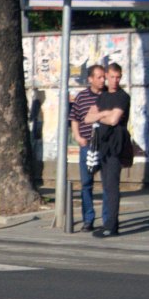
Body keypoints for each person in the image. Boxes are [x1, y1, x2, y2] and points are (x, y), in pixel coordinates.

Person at [84, 62, 130, 237]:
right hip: (102, 144)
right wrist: (104, 114)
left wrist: (101, 116)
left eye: (118, 77)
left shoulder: (122, 97)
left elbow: (114, 120)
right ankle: (109, 223)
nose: (114, 81)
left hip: (115, 145)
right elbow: (88, 118)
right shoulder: (102, 97)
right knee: (105, 185)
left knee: (111, 186)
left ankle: (111, 226)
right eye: (111, 77)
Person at [68, 64, 105, 232]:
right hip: (87, 145)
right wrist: (77, 136)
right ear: (90, 79)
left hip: (105, 145)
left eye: (103, 77)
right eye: (99, 77)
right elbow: (74, 118)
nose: (102, 80)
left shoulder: (108, 96)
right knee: (86, 183)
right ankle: (88, 220)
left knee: (108, 183)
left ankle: (107, 219)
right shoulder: (82, 97)